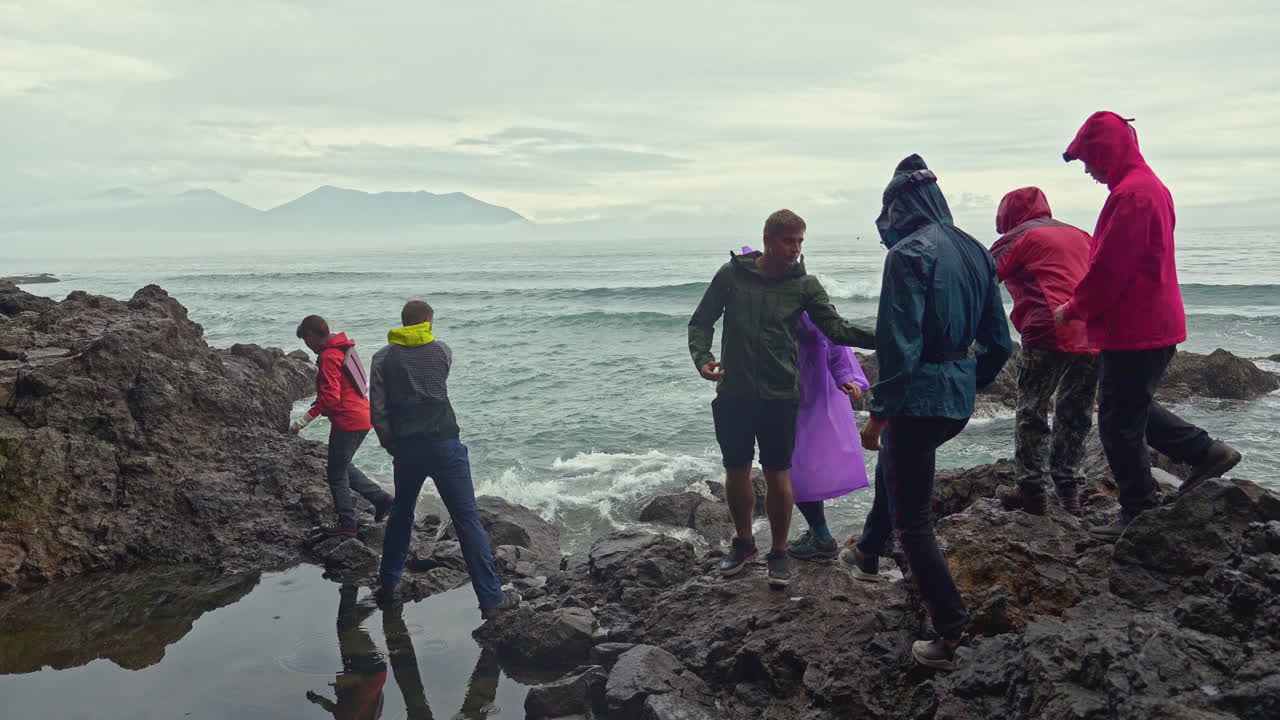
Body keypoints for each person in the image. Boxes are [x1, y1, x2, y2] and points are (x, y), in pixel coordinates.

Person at [846, 155, 1012, 671]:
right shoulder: (976, 251)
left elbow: (899, 347)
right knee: (899, 464)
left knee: (914, 522)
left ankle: (953, 633)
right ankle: (867, 552)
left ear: (899, 207)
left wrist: (879, 413)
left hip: (917, 402)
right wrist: (968, 381)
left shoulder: (907, 255)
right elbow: (1000, 344)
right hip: (955, 401)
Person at [1056, 111, 1242, 538]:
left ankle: (1138, 509)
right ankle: (1209, 452)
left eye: (1089, 158)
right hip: (1149, 324)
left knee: (1117, 424)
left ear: (1106, 150)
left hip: (1137, 329)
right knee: (1130, 407)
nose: (1087, 169)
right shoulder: (1144, 187)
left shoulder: (1133, 195)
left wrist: (1074, 307)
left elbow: (1110, 270)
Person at [688, 210, 876, 589]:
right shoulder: (733, 275)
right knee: (736, 469)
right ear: (768, 239)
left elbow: (835, 330)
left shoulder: (805, 285)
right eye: (789, 241)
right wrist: (703, 358)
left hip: (780, 395)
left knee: (778, 474)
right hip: (734, 392)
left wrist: (888, 335)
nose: (796, 249)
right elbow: (701, 320)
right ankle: (743, 543)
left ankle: (778, 552)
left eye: (800, 241)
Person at [369, 300, 520, 617]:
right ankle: (491, 600)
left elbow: (379, 411)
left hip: (407, 448)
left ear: (403, 321)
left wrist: (391, 445)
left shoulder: (382, 358)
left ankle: (389, 584)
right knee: (467, 520)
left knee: (401, 514)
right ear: (427, 321)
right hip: (444, 443)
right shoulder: (442, 351)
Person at [988, 188, 1099, 516]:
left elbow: (982, 277)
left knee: (1032, 410)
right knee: (1075, 411)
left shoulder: (1020, 235)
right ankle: (1069, 491)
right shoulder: (1081, 234)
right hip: (1094, 329)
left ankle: (1031, 491)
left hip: (1048, 328)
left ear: (1007, 216)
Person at [294, 316, 394, 536]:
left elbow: (330, 398)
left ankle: (347, 523)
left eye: (307, 341)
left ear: (312, 335)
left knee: (336, 474)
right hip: (363, 415)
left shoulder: (329, 356)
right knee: (342, 465)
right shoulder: (342, 348)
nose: (308, 347)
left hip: (348, 420)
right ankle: (382, 499)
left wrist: (303, 421)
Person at [786, 311, 872, 560]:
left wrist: (844, 375)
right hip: (789, 387)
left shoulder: (804, 297)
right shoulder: (770, 292)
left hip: (812, 388)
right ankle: (817, 531)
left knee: (798, 465)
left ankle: (822, 536)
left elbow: (833, 332)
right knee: (800, 464)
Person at [306, 584, 387, 720]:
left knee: (350, 626)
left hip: (378, 673)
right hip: (365, 672)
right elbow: (332, 706)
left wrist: (317, 699)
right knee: (345, 626)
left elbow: (332, 706)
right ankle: (351, 585)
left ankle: (378, 595)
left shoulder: (372, 717)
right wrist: (317, 698)